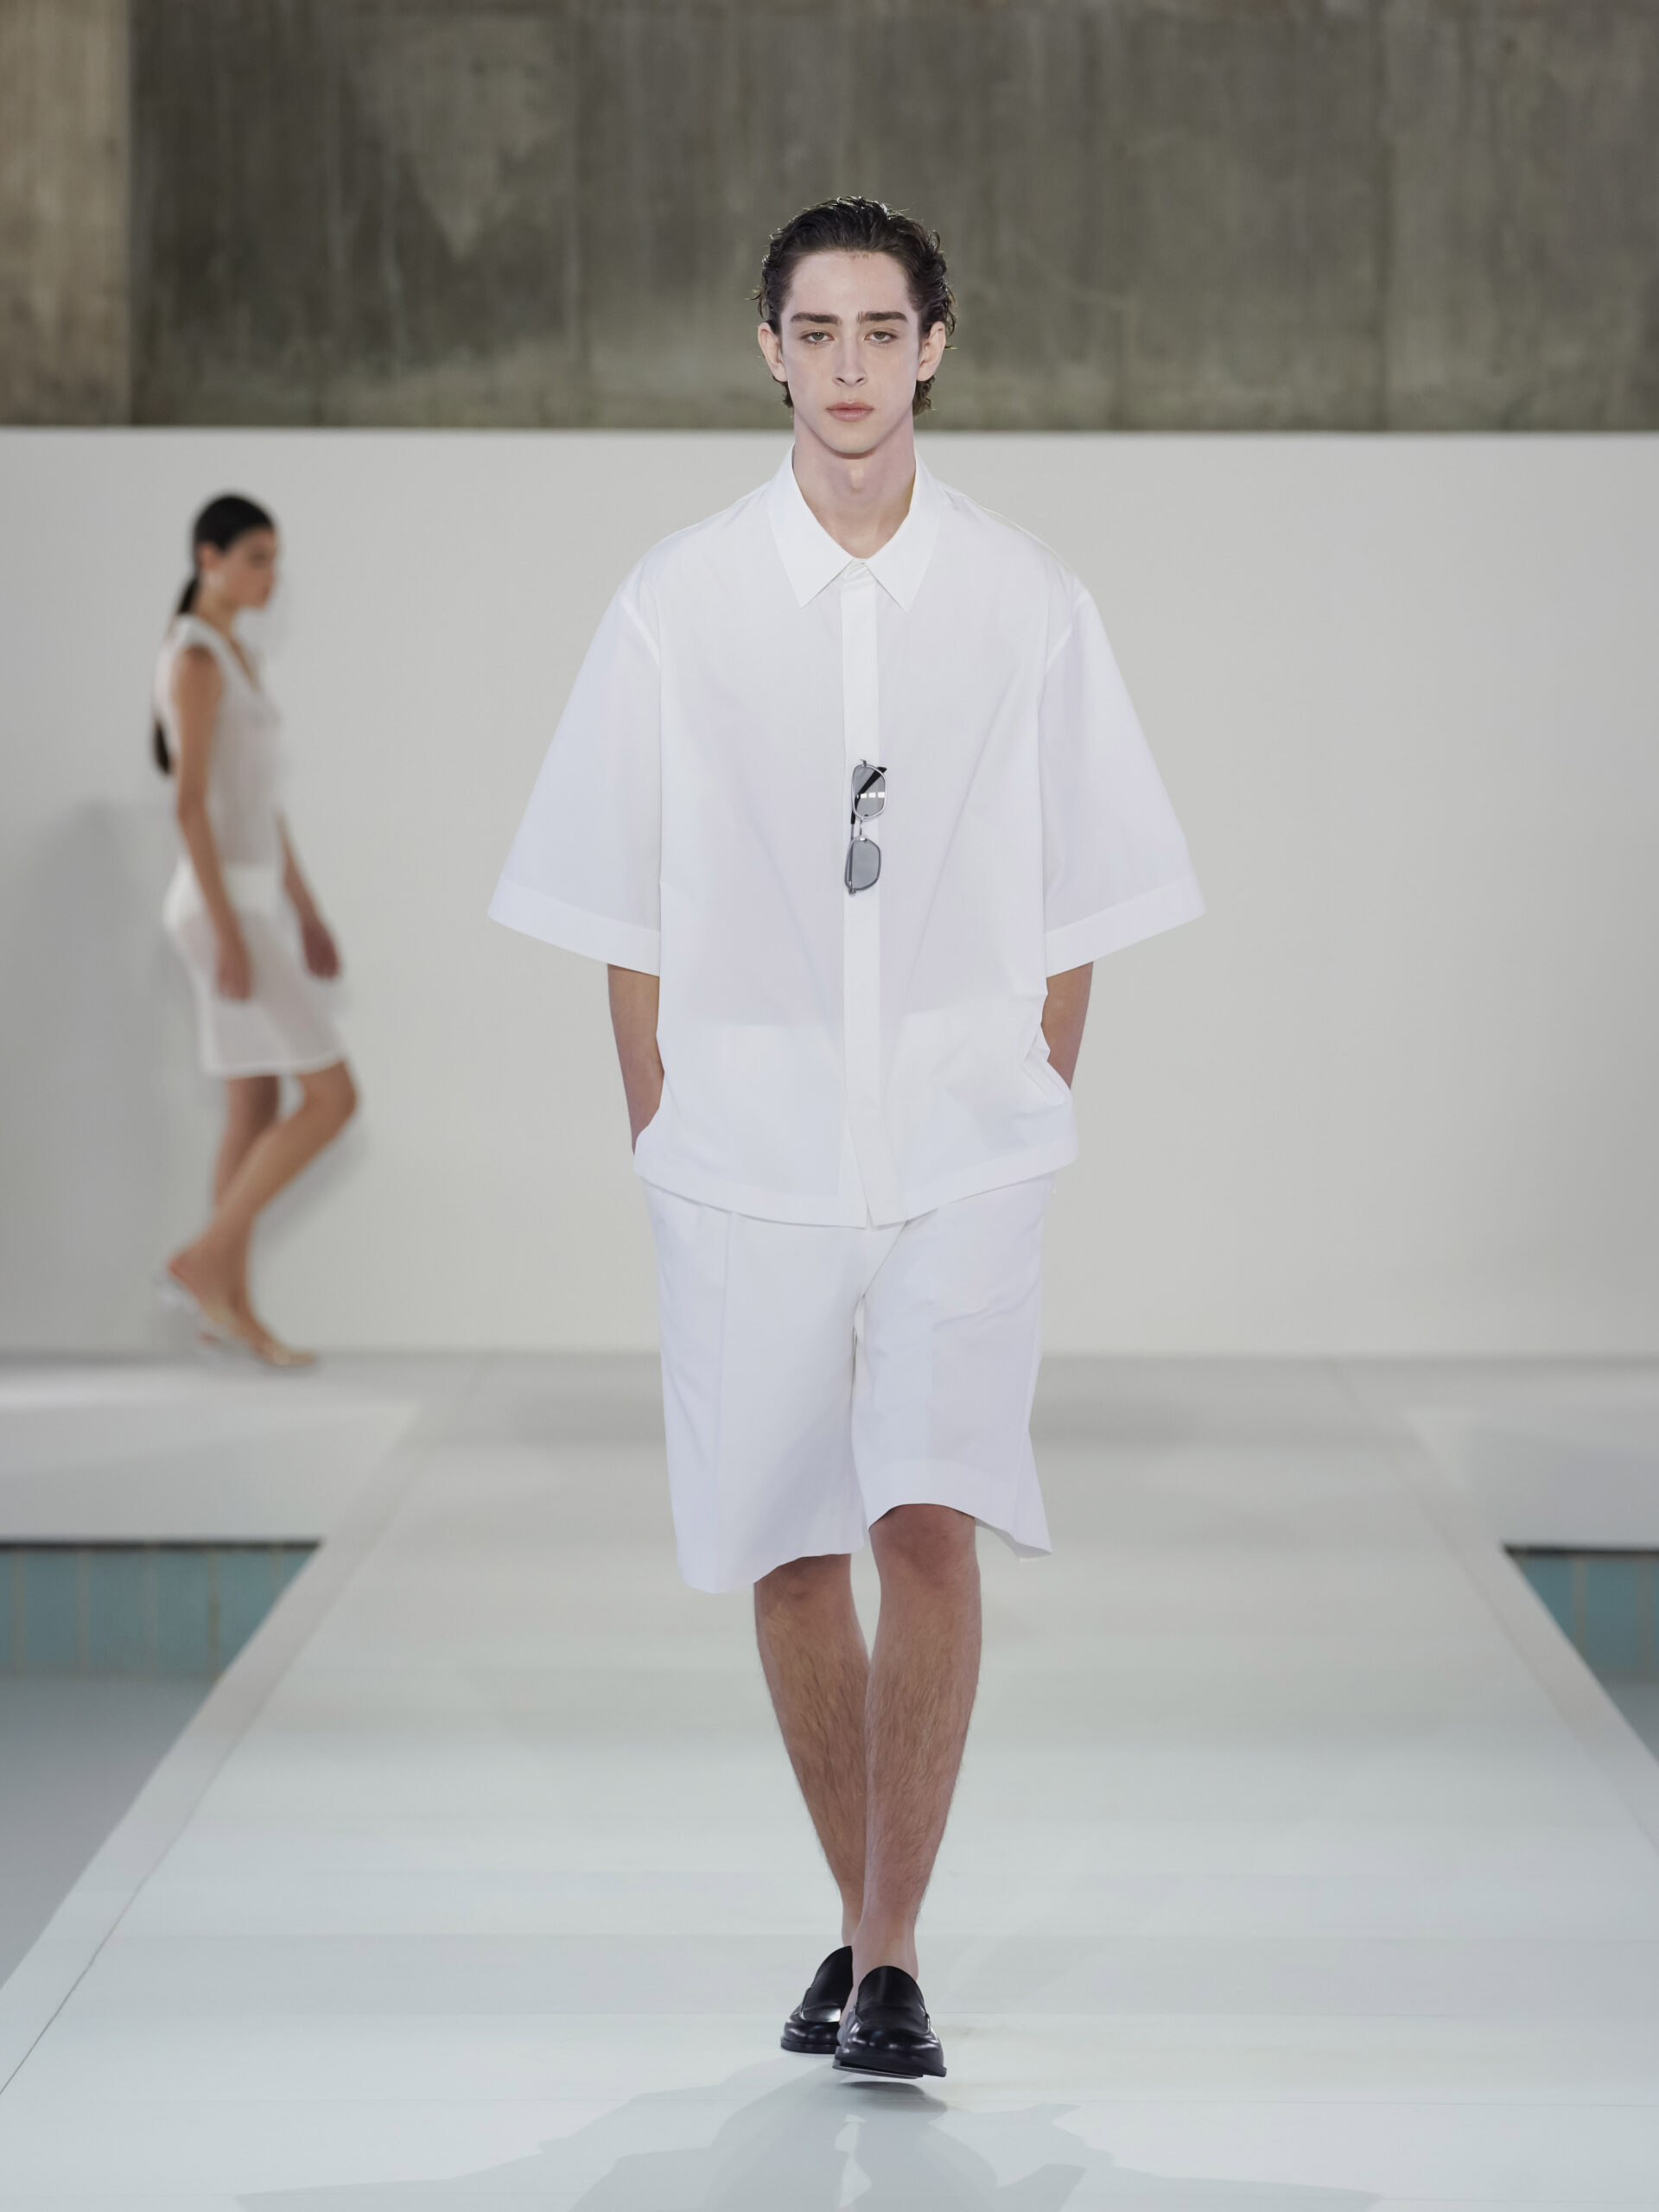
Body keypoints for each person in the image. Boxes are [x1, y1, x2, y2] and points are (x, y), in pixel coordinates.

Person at [491, 198, 1202, 2078]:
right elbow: (621, 897)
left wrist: (1032, 1092)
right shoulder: (682, 599)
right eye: (818, 332)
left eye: (884, 330)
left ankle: (885, 1959)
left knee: (927, 1514)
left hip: (966, 1139)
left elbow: (1086, 887)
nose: (852, 366)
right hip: (747, 1149)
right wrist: (663, 1125)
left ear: (934, 346)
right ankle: (872, 1924)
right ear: (771, 349)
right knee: (791, 1540)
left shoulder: (1027, 599)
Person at [153, 493, 356, 1369]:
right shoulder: (198, 657)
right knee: (334, 1098)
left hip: (244, 900)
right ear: (210, 558)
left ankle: (228, 1308)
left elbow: (261, 810)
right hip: (218, 907)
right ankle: (203, 1260)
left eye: (275, 558)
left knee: (255, 1104)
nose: (272, 575)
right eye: (257, 558)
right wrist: (231, 931)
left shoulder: (237, 656)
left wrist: (304, 912)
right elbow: (190, 804)